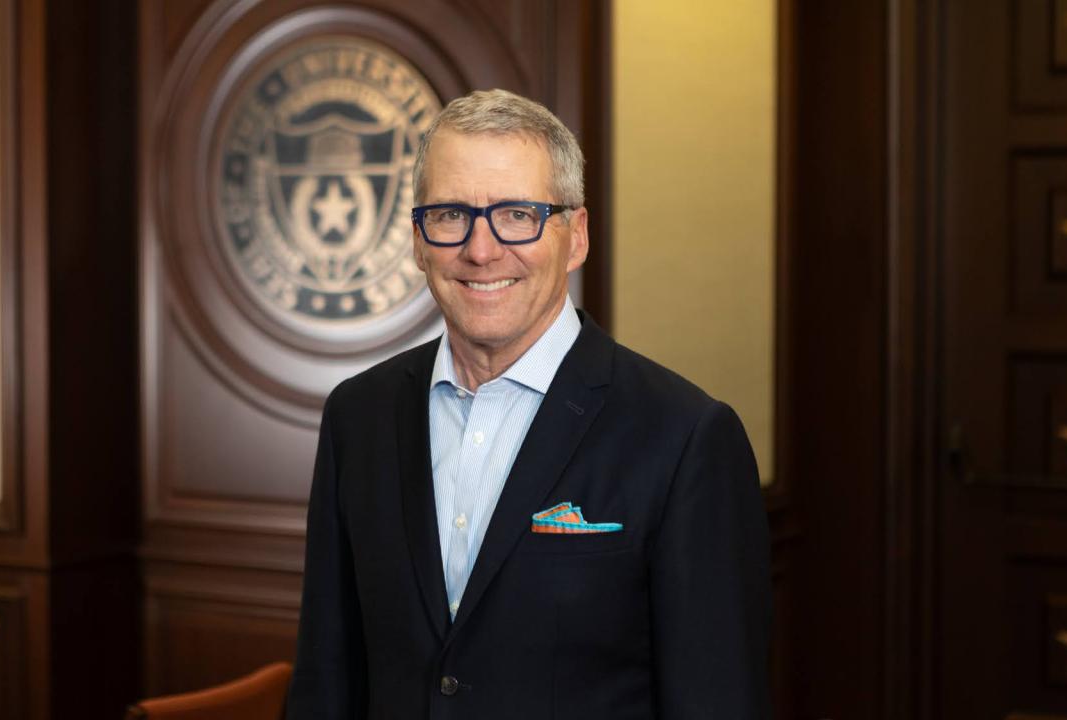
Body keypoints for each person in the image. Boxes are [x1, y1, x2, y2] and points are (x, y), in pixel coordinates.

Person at [286, 88, 771, 719]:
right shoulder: (358, 416)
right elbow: (327, 682)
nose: (481, 250)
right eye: (450, 214)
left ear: (576, 238)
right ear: (417, 238)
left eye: (518, 214)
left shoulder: (685, 437)